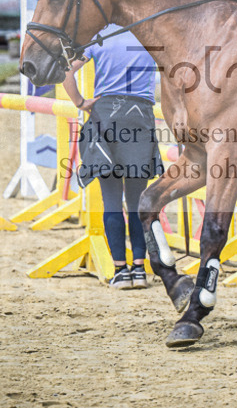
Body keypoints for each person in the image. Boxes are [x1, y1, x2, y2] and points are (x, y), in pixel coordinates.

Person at [62, 24, 162, 290]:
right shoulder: (148, 32)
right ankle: (139, 269)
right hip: (140, 116)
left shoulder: (99, 35)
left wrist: (81, 102)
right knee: (137, 202)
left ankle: (120, 271)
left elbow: (66, 73)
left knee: (112, 202)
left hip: (106, 115)